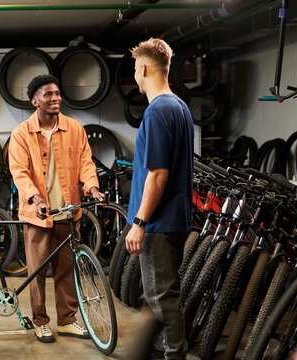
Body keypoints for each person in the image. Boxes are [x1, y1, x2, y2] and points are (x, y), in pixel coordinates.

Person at [8, 74, 104, 343]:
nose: (55, 98)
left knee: (66, 269)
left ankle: (67, 320)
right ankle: (40, 322)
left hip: (68, 211)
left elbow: (86, 162)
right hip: (38, 214)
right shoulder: (21, 134)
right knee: (37, 271)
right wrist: (36, 200)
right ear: (34, 101)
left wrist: (92, 187)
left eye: (58, 93)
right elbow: (20, 173)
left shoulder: (74, 128)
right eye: (48, 94)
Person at [125, 38, 194, 359]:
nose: (135, 76)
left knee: (163, 298)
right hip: (176, 218)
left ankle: (173, 356)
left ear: (143, 68)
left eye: (135, 70)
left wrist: (139, 222)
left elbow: (158, 175)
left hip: (157, 222)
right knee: (160, 295)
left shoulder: (157, 112)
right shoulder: (179, 106)